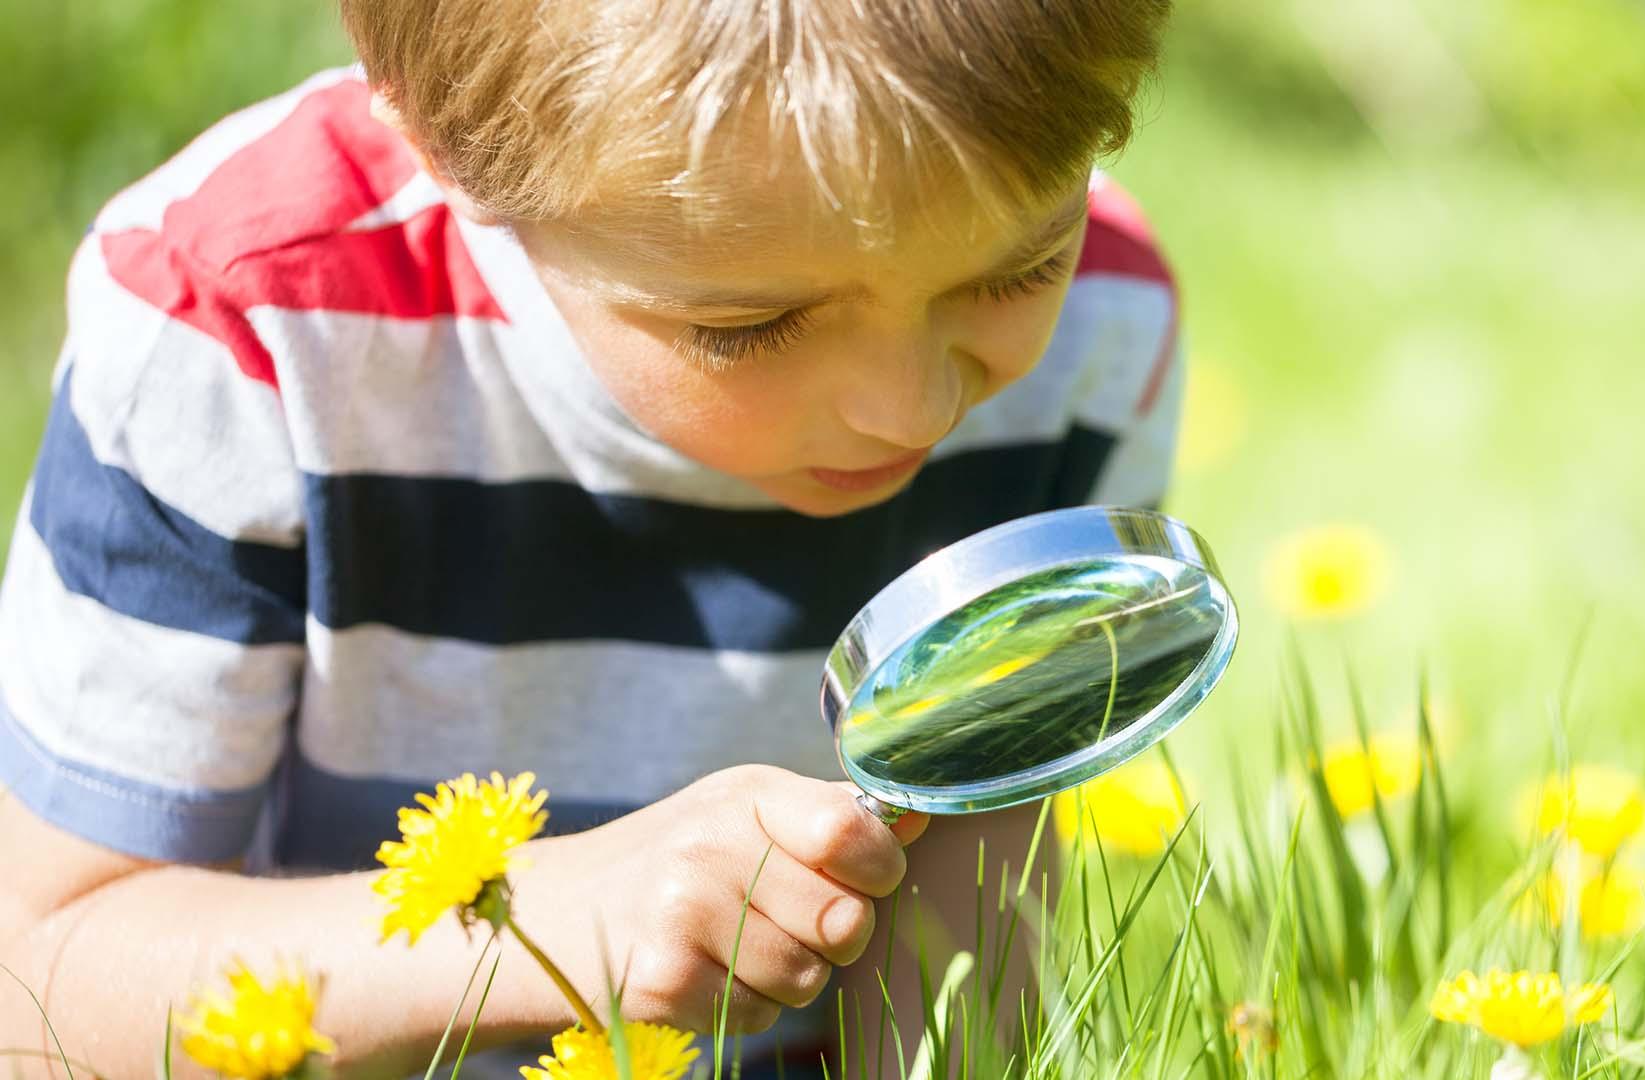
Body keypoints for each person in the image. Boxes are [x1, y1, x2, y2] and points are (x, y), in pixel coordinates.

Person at [0, 0, 1180, 1075]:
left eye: (1020, 266)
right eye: (751, 326)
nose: (913, 408)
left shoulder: (1101, 330)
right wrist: (546, 927)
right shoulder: (247, 334)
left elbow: (969, 904)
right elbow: (45, 973)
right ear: (443, 144)